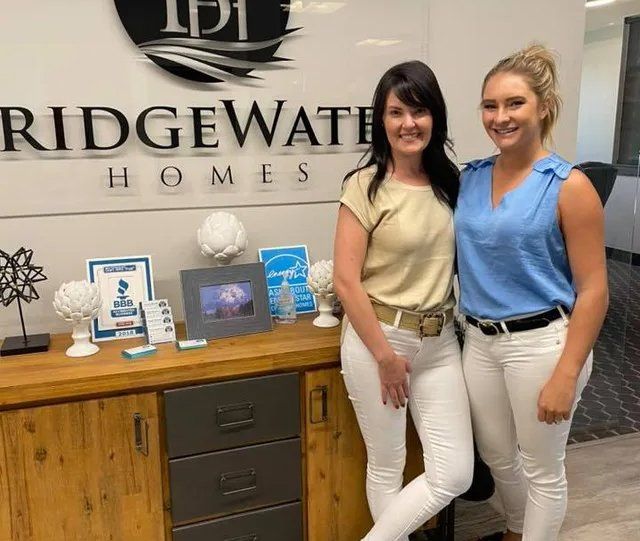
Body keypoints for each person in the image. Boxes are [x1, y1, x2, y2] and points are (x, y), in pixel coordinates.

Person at [454, 45, 609, 541]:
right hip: (478, 342)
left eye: (514, 103)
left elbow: (595, 291)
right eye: (490, 105)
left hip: (542, 344)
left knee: (543, 468)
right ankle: (518, 531)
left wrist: (567, 373)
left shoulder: (569, 186)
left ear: (543, 106)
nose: (500, 117)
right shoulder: (469, 179)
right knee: (499, 457)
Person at [333, 60, 473, 541]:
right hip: (381, 340)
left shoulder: (450, 184)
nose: (408, 123)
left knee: (456, 472)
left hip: (440, 343)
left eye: (419, 110)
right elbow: (346, 281)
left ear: (435, 116)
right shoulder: (364, 186)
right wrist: (385, 356)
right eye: (396, 112)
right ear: (381, 120)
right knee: (387, 464)